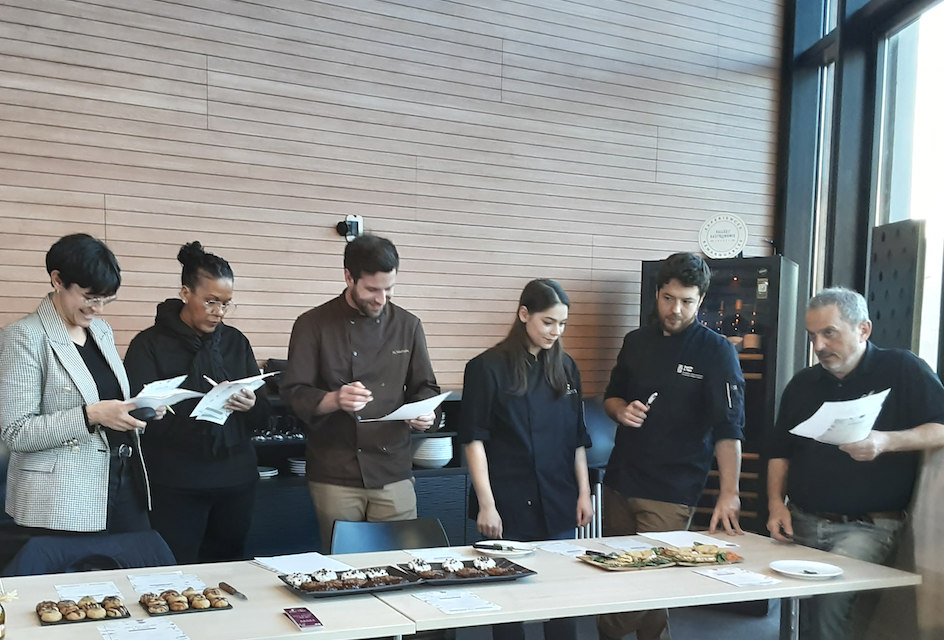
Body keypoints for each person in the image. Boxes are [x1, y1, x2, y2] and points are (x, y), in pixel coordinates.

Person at [766, 287, 944, 640]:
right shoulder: (803, 383)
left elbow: (940, 428)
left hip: (867, 526)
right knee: (795, 612)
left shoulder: (902, 368)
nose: (818, 346)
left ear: (863, 329)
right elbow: (780, 451)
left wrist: (886, 441)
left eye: (829, 333)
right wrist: (775, 505)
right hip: (801, 518)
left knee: (833, 607)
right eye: (812, 336)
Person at [597, 252, 745, 640]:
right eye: (668, 299)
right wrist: (620, 411)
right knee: (620, 574)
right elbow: (611, 397)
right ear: (657, 294)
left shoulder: (717, 351)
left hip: (672, 486)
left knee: (644, 582)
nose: (675, 309)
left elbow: (729, 429)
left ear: (700, 301)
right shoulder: (636, 341)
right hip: (619, 479)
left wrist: (730, 493)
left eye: (686, 301)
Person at [280, 234, 441, 551]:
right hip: (335, 472)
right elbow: (294, 393)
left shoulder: (408, 325)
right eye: (372, 289)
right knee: (344, 568)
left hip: (392, 469)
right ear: (349, 277)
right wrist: (334, 399)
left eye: (389, 289)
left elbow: (425, 387)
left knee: (403, 562)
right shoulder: (313, 324)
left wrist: (424, 413)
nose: (381, 299)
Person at [459, 279, 593, 640]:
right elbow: (474, 440)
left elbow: (577, 439)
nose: (555, 331)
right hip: (508, 501)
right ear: (524, 314)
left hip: (559, 496)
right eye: (548, 322)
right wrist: (487, 505)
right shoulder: (485, 367)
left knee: (562, 598)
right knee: (509, 600)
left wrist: (584, 493)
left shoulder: (566, 367)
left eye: (562, 324)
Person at [0, 233, 160, 536]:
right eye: (89, 297)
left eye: (105, 299)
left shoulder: (101, 331)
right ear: (58, 280)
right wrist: (91, 416)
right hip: (62, 496)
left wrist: (139, 409)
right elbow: (15, 432)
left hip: (122, 479)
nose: (97, 308)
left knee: (134, 571)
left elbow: (109, 399)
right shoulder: (24, 336)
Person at [124, 241, 270, 564]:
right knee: (174, 569)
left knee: (231, 568)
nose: (219, 312)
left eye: (226, 304)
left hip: (236, 478)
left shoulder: (235, 342)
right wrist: (153, 410)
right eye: (211, 302)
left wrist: (251, 405)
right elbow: (133, 414)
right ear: (185, 293)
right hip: (175, 481)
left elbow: (262, 415)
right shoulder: (148, 344)